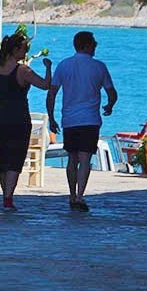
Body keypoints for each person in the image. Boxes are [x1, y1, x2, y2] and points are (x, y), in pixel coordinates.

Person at [0, 33, 52, 211]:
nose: (26, 52)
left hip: (0, 117)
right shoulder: (23, 70)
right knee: (16, 157)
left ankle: (6, 196)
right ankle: (8, 198)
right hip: (18, 117)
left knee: (4, 157)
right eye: (24, 49)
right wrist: (48, 67)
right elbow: (45, 84)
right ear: (15, 50)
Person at [47, 31, 117, 212]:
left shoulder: (64, 65)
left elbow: (52, 93)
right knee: (85, 158)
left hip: (69, 119)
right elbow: (111, 92)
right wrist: (109, 106)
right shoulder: (99, 67)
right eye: (93, 43)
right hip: (90, 120)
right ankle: (80, 196)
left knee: (72, 158)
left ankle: (71, 195)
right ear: (86, 45)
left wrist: (52, 117)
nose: (95, 46)